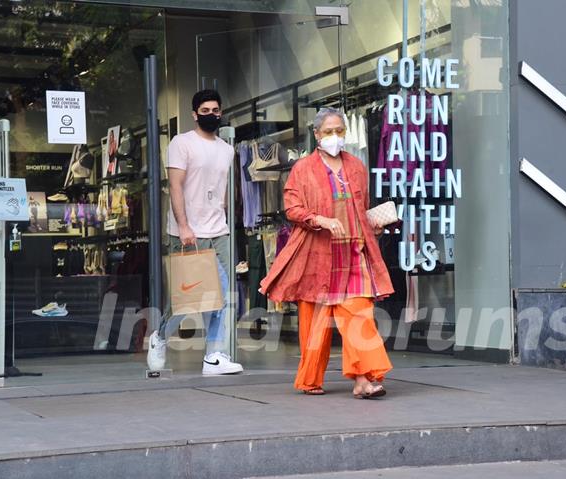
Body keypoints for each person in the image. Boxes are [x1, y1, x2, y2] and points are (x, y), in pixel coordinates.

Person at [260, 107, 394, 398]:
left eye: (340, 131)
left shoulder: (356, 167)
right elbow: (292, 208)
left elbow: (361, 208)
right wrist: (321, 220)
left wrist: (374, 226)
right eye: (329, 131)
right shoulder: (303, 168)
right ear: (317, 134)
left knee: (361, 318)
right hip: (317, 255)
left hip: (354, 253)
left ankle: (363, 380)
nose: (335, 137)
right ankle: (310, 380)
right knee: (315, 324)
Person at [147, 89, 243, 375]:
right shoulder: (181, 143)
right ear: (194, 114)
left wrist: (223, 216)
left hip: (218, 230)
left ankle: (213, 355)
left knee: (222, 296)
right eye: (205, 111)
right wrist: (184, 226)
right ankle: (160, 337)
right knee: (185, 301)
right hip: (188, 232)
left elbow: (220, 188)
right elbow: (175, 186)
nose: (211, 115)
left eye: (216, 110)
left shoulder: (227, 149)